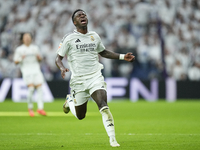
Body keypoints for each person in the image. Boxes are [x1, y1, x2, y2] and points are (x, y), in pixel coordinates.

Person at [55, 9, 135, 147]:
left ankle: (112, 139)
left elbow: (103, 52)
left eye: (84, 14)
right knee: (81, 116)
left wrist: (122, 57)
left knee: (103, 105)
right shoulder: (68, 39)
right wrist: (62, 68)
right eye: (79, 16)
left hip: (95, 77)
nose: (82, 16)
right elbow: (58, 58)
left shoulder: (94, 36)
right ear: (75, 22)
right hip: (78, 80)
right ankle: (69, 100)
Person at [13, 33, 46, 117]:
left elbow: (40, 59)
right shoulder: (19, 49)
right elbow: (15, 61)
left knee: (40, 89)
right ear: (22, 39)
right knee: (31, 89)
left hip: (36, 71)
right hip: (27, 71)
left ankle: (40, 108)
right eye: (25, 37)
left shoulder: (35, 48)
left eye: (29, 37)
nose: (27, 38)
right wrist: (21, 58)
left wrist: (39, 58)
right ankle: (30, 108)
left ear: (31, 39)